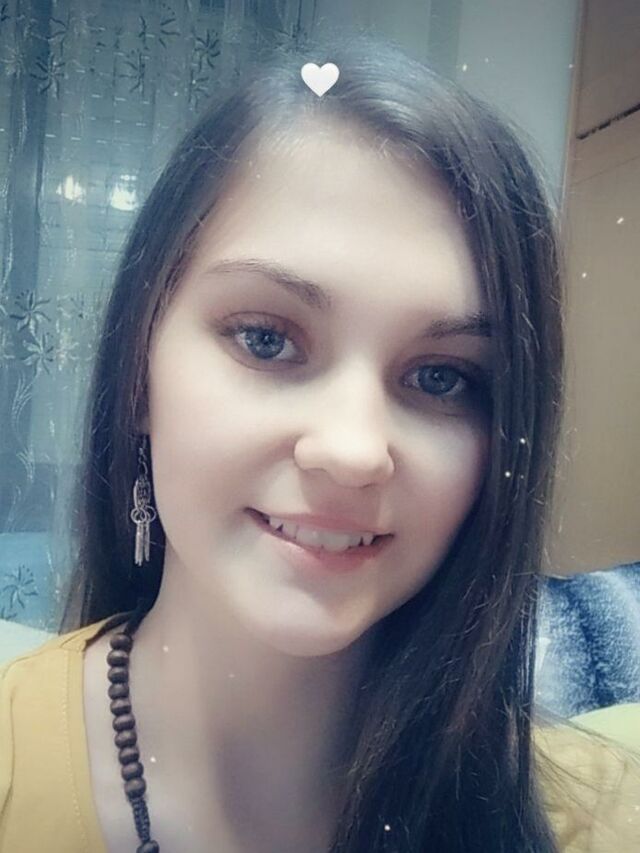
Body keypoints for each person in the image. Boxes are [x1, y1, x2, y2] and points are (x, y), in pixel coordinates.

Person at [1, 32, 639, 853]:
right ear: (137, 371)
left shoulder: (599, 819)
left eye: (441, 377)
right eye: (266, 338)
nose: (353, 449)